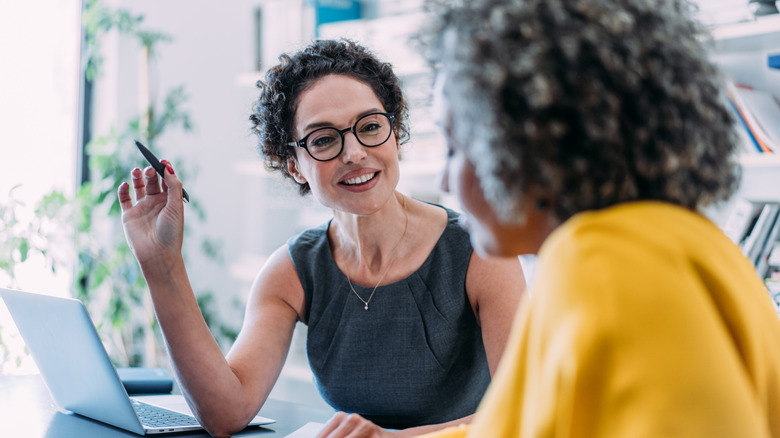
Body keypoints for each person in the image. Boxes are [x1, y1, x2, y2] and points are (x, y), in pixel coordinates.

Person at [117, 38, 525, 438]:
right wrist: (162, 264)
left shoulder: (481, 251)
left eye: (370, 127)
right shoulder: (292, 270)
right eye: (325, 139)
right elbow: (226, 412)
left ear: (395, 134)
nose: (354, 153)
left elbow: (526, 413)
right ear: (293, 164)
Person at [417, 0, 780, 436]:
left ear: (527, 142)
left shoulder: (603, 262)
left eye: (455, 147)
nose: (444, 179)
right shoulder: (682, 241)